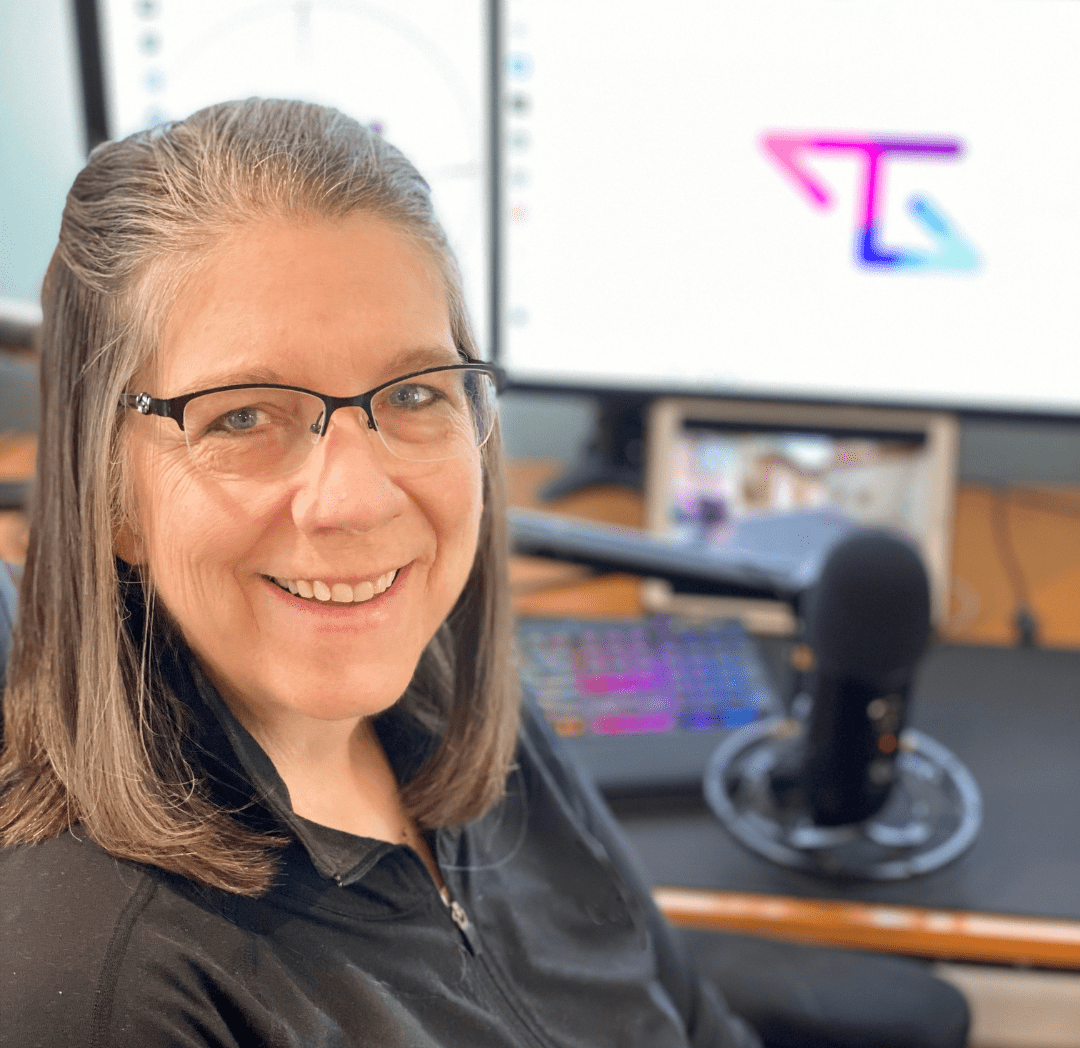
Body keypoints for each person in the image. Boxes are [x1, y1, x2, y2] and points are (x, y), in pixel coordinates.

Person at [0, 99, 967, 1048]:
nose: (357, 500)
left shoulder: (451, 689)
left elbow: (688, 1014)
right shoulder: (104, 989)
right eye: (243, 417)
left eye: (415, 392)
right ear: (110, 494)